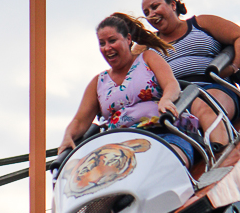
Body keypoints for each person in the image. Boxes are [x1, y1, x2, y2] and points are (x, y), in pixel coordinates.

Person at [58, 13, 199, 167]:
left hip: (162, 134)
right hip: (118, 150)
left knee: (165, 165)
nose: (107, 48)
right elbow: (79, 121)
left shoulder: (147, 58)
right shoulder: (99, 82)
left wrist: (166, 99)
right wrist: (68, 135)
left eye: (112, 41)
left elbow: (172, 85)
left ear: (128, 39)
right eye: (102, 43)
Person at [141, 0, 240, 147]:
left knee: (203, 104)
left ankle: (218, 148)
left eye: (155, 6)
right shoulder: (148, 46)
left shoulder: (201, 23)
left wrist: (233, 67)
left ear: (173, 5)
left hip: (211, 85)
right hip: (175, 98)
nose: (151, 14)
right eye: (146, 12)